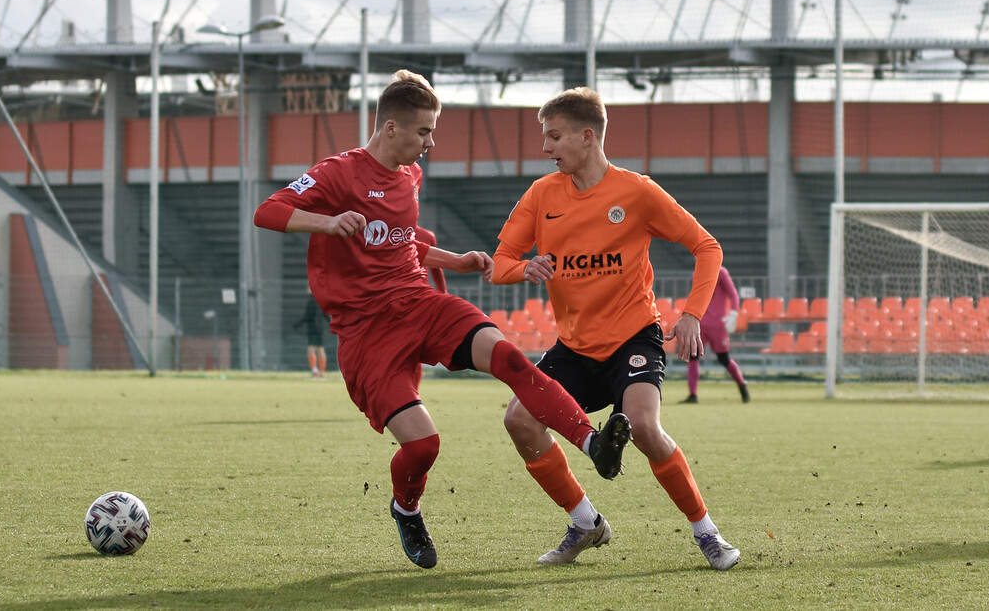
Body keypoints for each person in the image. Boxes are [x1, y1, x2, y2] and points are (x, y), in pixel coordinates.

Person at [253, 70, 631, 570]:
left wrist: (454, 261)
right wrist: (327, 220)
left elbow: (403, 239)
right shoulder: (338, 173)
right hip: (366, 332)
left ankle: (592, 442)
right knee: (423, 444)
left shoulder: (410, 174)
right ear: (391, 128)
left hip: (418, 303)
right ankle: (405, 508)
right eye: (425, 131)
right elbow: (268, 210)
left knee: (509, 357)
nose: (431, 142)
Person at [491, 86, 741, 571]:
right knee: (519, 418)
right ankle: (585, 522)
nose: (546, 148)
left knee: (645, 427)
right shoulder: (541, 194)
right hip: (574, 347)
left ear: (587, 137)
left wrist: (691, 314)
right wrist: (526, 268)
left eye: (554, 136)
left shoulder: (637, 191)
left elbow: (707, 246)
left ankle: (706, 532)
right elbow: (499, 262)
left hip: (633, 337)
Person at [681, 265, 750, 404]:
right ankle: (693, 394)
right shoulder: (697, 273)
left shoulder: (721, 272)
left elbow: (733, 294)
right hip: (701, 323)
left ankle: (742, 385)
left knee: (723, 358)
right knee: (693, 356)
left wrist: (734, 313)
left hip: (718, 325)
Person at [292, 289, 327, 377]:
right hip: (320, 329)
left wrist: (296, 324)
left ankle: (314, 370)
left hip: (312, 328)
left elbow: (307, 316)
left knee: (311, 348)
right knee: (320, 349)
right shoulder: (320, 300)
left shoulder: (311, 300)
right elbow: (325, 314)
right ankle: (322, 372)